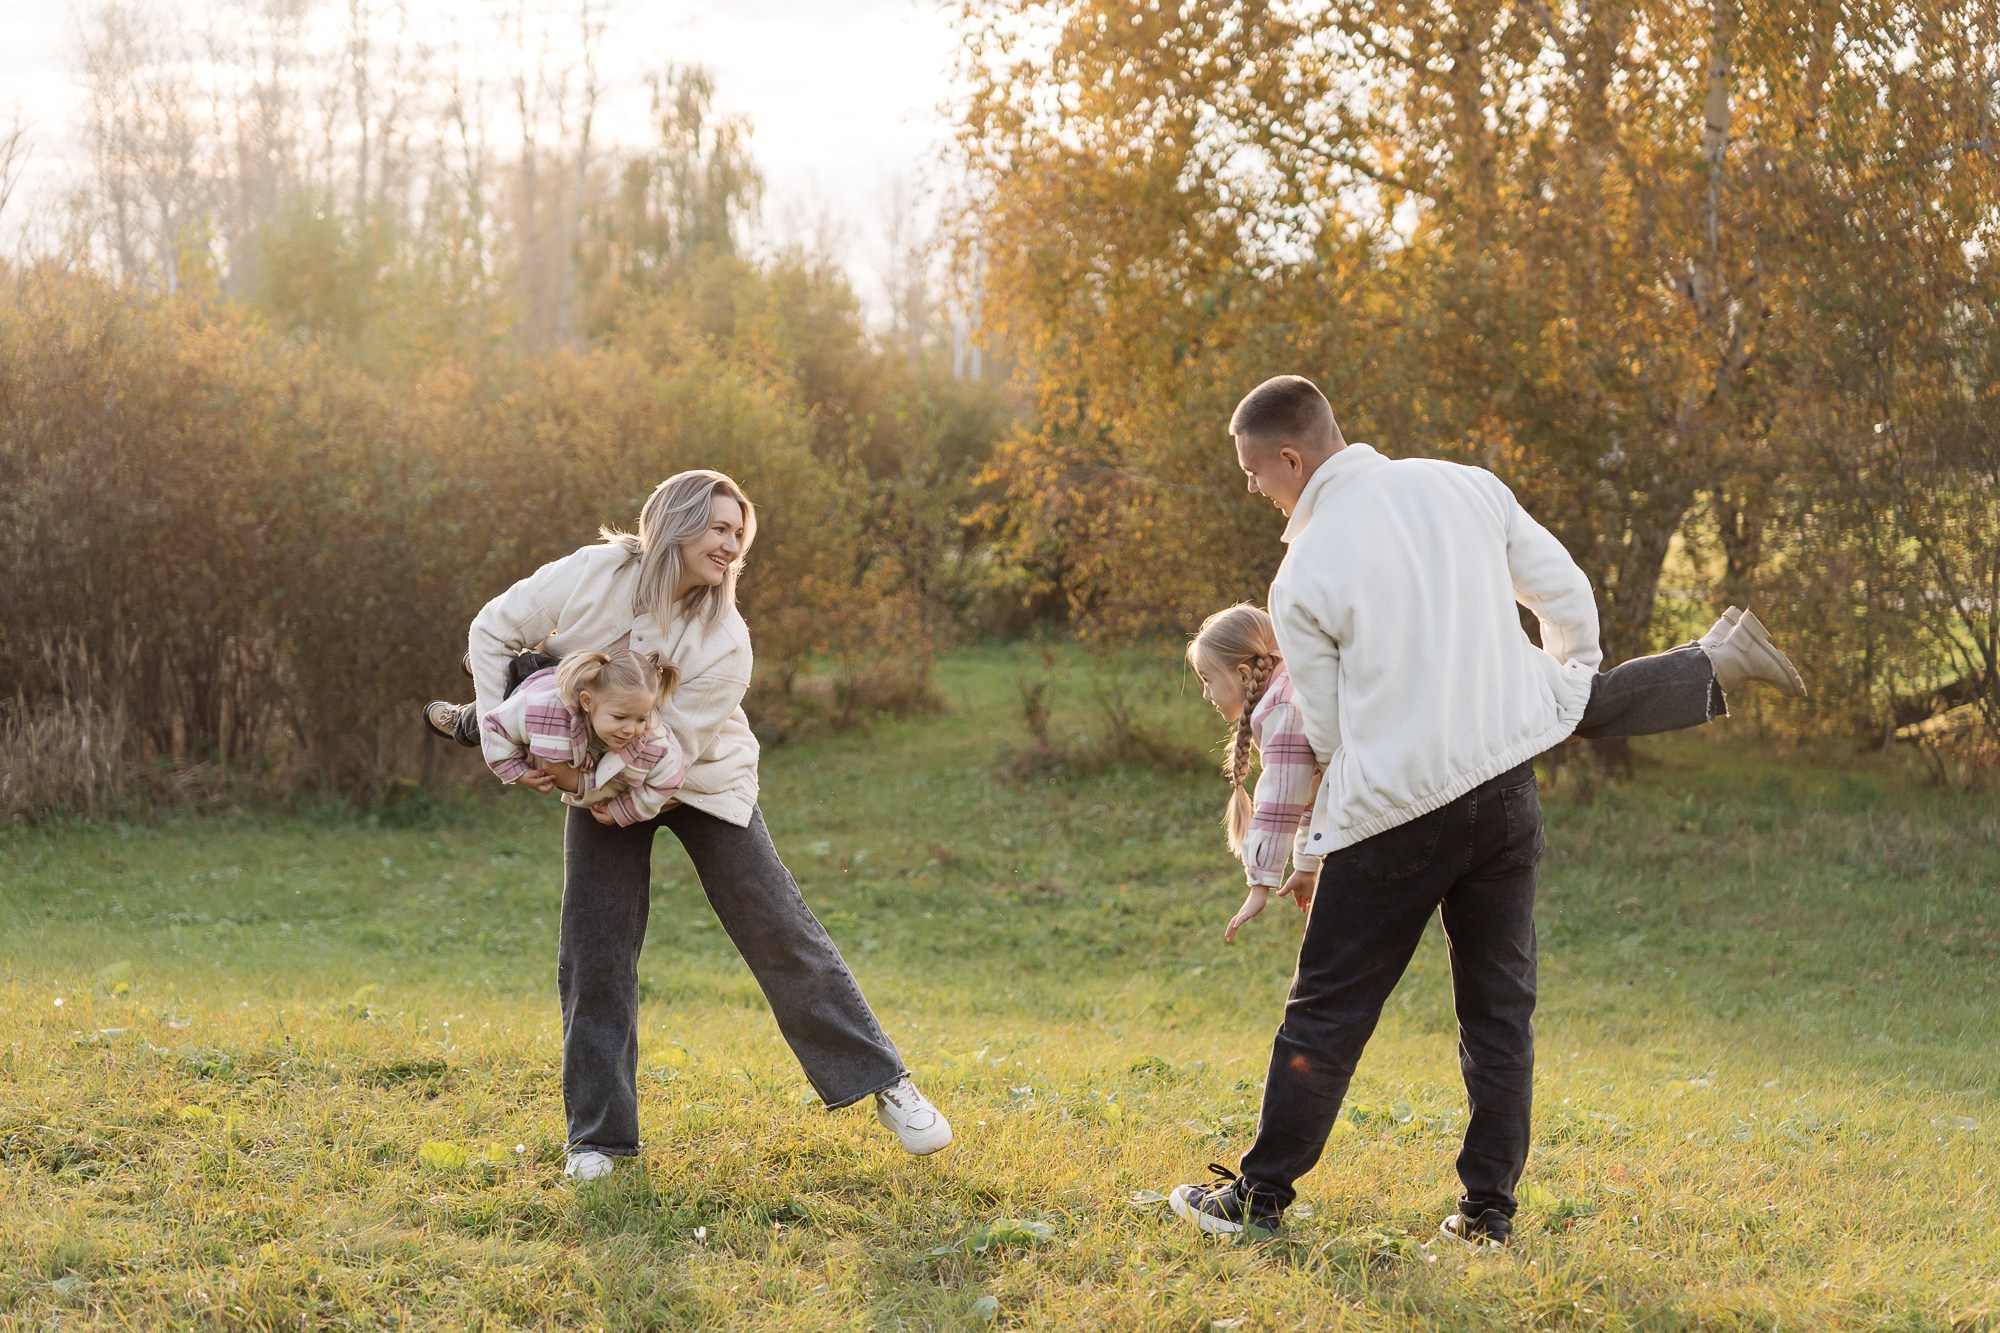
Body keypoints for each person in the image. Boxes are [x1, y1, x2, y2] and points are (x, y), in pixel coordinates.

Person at [1166, 377, 1802, 1245]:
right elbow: (1566, 592)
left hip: (1391, 816)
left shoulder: (1303, 573)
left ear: (1290, 457)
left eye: (1252, 471)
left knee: (1326, 1012)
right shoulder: (1464, 483)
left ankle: (1259, 1199)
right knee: (1499, 1014)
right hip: (1504, 797)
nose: (1251, 488)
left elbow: (1327, 727)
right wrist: (1558, 684)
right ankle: (1488, 1218)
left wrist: (1301, 849)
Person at [424, 469, 951, 1180]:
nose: (732, 545)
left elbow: (667, 755)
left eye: (741, 534)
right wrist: (494, 731)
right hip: (599, 781)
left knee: (778, 928)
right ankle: (600, 1140)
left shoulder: (724, 640)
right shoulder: (595, 572)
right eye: (720, 528)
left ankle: (888, 1084)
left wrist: (591, 788)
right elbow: (491, 629)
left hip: (698, 779)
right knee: (596, 947)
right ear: (676, 520)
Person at [1186, 598, 1802, 944]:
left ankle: (1717, 660)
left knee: (1581, 706)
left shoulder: (1285, 708)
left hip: (1461, 716)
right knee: (1582, 704)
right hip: (1460, 688)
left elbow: (1283, 792)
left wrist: (1262, 881)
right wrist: (1307, 864)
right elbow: (1319, 793)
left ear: (1245, 672)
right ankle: (1714, 653)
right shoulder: (1297, 688)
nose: (1205, 694)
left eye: (1207, 679)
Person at [478, 647, 686, 828]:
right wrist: (518, 772)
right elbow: (494, 726)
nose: (630, 730)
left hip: (582, 736)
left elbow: (668, 781)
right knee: (476, 723)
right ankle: (464, 715)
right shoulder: (539, 709)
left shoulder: (654, 744)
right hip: (530, 685)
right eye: (620, 717)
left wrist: (623, 810)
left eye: (641, 718)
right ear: (587, 702)